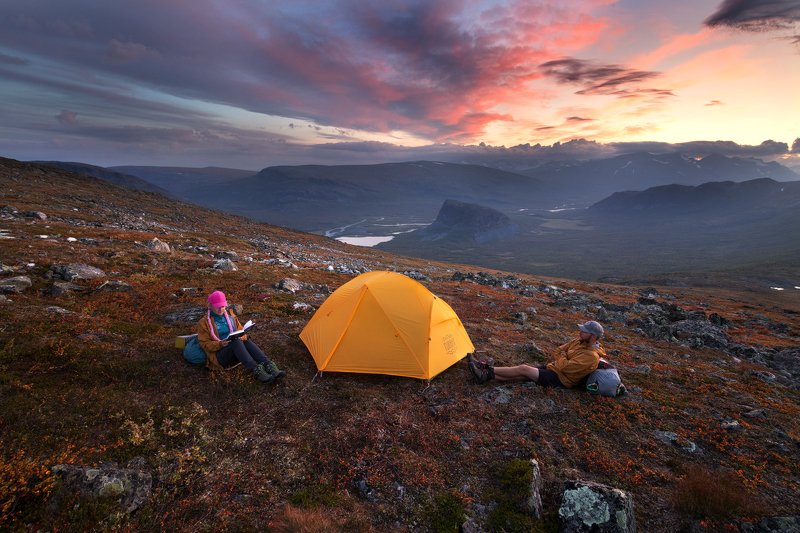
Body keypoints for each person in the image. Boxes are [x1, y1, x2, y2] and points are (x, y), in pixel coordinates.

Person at [468, 320, 606, 389]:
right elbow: (558, 350)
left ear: (593, 336)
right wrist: (563, 357)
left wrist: (563, 356)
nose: (580, 332)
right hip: (554, 369)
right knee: (523, 374)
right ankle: (485, 377)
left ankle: (485, 369)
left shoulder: (591, 357)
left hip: (562, 380)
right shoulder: (579, 341)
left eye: (584, 331)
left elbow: (565, 367)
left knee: (524, 369)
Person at [197, 290, 285, 383]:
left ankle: (269, 365)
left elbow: (241, 330)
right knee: (236, 342)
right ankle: (256, 370)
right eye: (217, 307)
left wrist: (242, 335)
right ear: (210, 306)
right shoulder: (204, 323)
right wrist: (220, 344)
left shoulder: (231, 316)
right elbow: (204, 344)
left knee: (245, 340)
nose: (221, 309)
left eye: (223, 306)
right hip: (220, 358)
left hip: (237, 352)